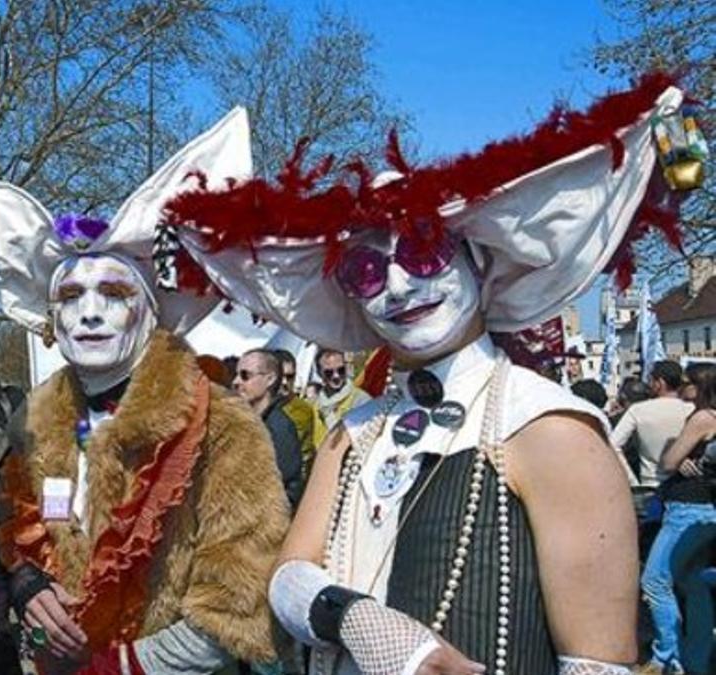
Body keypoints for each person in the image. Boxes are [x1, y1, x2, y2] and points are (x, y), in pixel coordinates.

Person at [166, 74, 687, 674]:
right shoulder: (355, 431)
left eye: (420, 251)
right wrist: (359, 620)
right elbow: (288, 574)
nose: (397, 286)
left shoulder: (548, 426)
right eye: (365, 269)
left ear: (477, 263)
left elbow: (599, 665)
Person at [0, 107, 290, 673]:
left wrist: (120, 665)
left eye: (112, 293)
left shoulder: (223, 427)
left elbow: (239, 599)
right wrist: (28, 583)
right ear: (50, 322)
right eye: (71, 298)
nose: (89, 314)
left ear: (149, 312)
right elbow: (11, 530)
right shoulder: (33, 425)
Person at [639, 362, 716, 674]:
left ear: (699, 386)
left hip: (687, 509)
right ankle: (695, 660)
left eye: (687, 382)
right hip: (703, 509)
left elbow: (668, 461)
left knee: (654, 580)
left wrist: (677, 455)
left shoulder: (701, 417)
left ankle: (665, 657)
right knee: (691, 582)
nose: (681, 386)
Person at [236, 349, 305, 508]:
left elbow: (285, 489)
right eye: (237, 374)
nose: (236, 381)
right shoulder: (249, 421)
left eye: (245, 375)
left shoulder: (280, 427)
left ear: (270, 379)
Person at [611, 361, 693, 489]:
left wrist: (632, 480)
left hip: (650, 483)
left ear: (659, 383)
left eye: (651, 380)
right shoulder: (692, 409)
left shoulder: (638, 410)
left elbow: (613, 444)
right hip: (686, 483)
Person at [312, 348, 371, 452]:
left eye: (341, 370)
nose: (336, 376)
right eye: (329, 372)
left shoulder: (362, 401)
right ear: (319, 373)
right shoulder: (313, 405)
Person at [276, 349, 318, 471]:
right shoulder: (257, 404)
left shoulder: (304, 411)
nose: (284, 382)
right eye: (280, 376)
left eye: (289, 377)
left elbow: (306, 455)